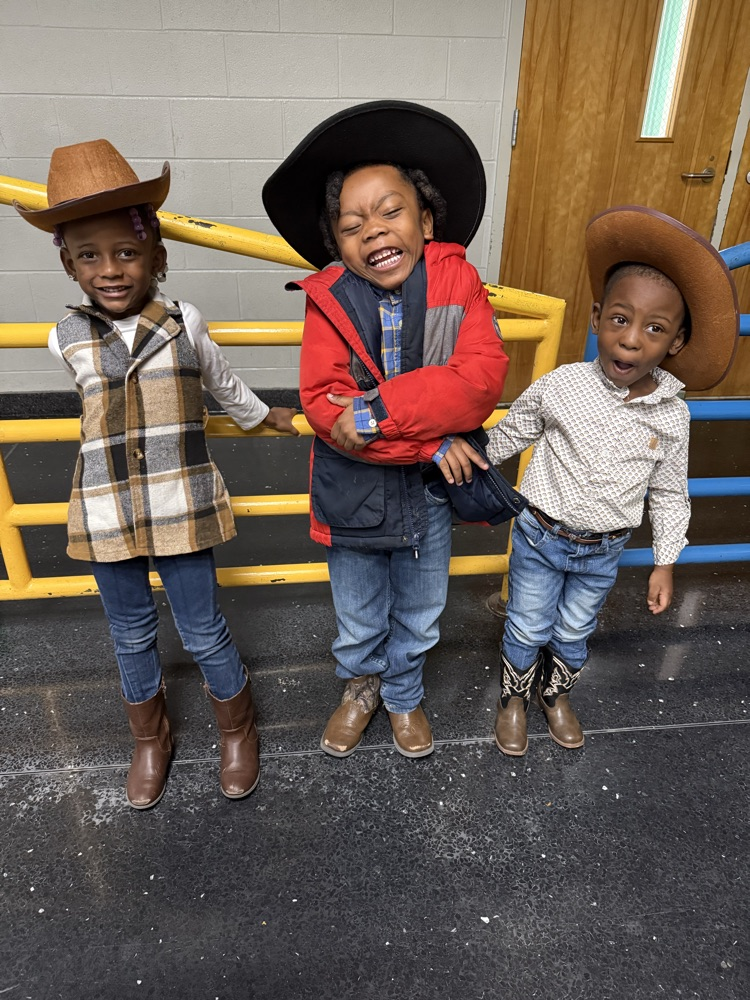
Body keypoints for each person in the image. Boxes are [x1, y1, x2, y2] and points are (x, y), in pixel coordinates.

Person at [14, 139, 299, 808]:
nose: (110, 269)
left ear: (155, 257)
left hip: (180, 503)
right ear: (69, 264)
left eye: (127, 252)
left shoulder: (184, 322)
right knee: (130, 631)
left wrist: (266, 417)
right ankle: (151, 740)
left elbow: (224, 386)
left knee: (203, 628)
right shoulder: (64, 337)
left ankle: (238, 729)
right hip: (107, 507)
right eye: (89, 255)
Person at [262, 101, 509, 758]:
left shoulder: (459, 282)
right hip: (357, 489)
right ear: (336, 243)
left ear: (426, 220)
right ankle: (361, 688)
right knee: (358, 609)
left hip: (427, 495)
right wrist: (431, 437)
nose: (373, 229)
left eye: (391, 211)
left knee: (421, 606)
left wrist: (377, 411)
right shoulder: (328, 298)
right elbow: (326, 408)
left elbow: (479, 380)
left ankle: (403, 693)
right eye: (352, 224)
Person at [486, 205, 738, 756]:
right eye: (620, 319)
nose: (630, 340)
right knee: (528, 625)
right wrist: (469, 468)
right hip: (540, 536)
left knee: (574, 632)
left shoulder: (673, 416)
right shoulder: (563, 385)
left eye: (654, 329)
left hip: (602, 551)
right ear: (598, 317)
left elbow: (670, 493)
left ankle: (555, 696)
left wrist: (665, 561)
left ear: (674, 343)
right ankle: (512, 700)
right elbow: (514, 431)